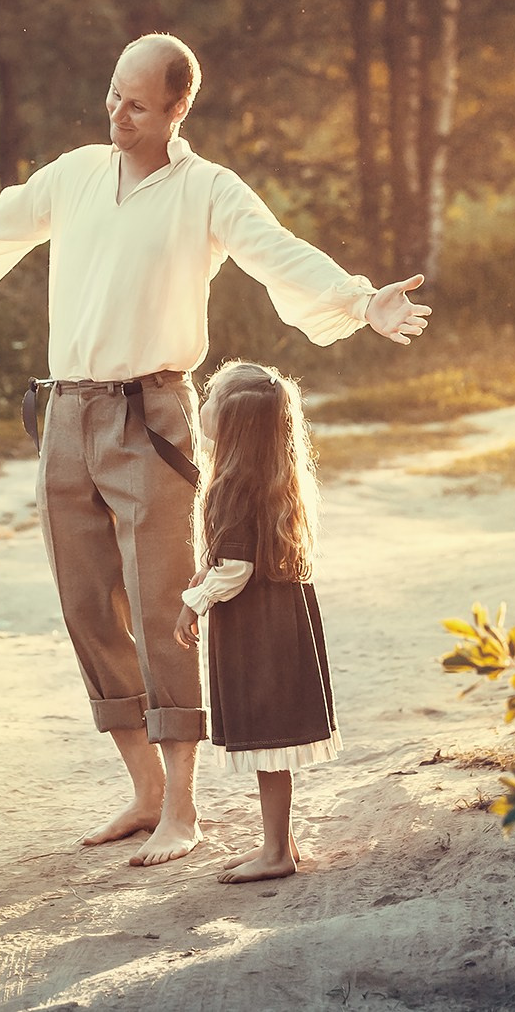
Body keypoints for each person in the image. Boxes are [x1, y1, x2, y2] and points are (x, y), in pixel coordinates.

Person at [0, 33, 427, 866]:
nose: (118, 112)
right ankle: (143, 790)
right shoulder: (75, 174)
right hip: (66, 413)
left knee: (164, 602)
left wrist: (360, 301)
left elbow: (276, 252)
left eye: (137, 102)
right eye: (112, 94)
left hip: (154, 418)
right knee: (86, 604)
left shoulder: (208, 190)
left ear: (177, 108)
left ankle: (184, 808)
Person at [173, 360, 335, 884]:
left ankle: (275, 853)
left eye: (211, 398)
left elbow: (235, 571)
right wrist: (206, 570)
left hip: (259, 632)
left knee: (269, 746)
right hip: (277, 623)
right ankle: (279, 842)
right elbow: (229, 553)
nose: (204, 403)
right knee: (272, 747)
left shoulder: (232, 487)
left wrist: (194, 600)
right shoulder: (266, 478)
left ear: (232, 425)